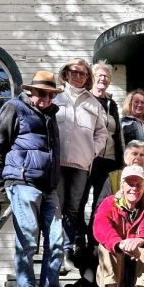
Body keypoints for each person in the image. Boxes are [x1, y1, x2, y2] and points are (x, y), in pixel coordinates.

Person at [0, 70, 77, 287]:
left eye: (49, 94)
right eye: (40, 93)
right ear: (30, 91)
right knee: (27, 242)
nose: (45, 99)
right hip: (22, 182)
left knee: (57, 243)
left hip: (49, 188)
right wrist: (3, 183)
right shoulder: (15, 108)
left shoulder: (51, 116)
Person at [54, 58, 108, 272]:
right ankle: (55, 252)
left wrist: (91, 152)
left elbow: (102, 132)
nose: (78, 76)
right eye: (74, 72)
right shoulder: (56, 96)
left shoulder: (93, 102)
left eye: (83, 73)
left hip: (81, 165)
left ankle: (67, 252)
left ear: (88, 78)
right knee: (55, 208)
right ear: (66, 74)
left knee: (73, 210)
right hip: (56, 163)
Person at [83, 61, 124, 243]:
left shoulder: (111, 104)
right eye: (99, 75)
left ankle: (94, 241)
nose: (103, 79)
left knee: (101, 203)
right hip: (88, 158)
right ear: (92, 78)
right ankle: (77, 241)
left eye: (106, 77)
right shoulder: (86, 99)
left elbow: (117, 134)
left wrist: (120, 160)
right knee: (79, 200)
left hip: (109, 160)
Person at [98, 140, 144, 204]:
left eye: (142, 155)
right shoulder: (112, 177)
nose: (138, 157)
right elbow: (101, 205)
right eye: (134, 154)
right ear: (125, 157)